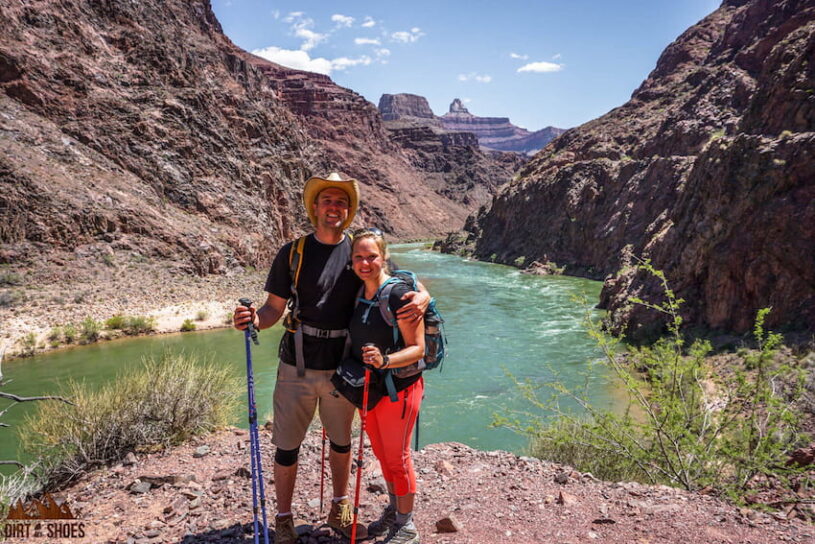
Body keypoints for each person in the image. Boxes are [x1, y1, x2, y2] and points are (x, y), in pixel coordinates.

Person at [233, 173, 429, 544]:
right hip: (297, 363)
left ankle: (340, 509)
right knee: (286, 446)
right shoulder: (292, 253)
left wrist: (423, 295)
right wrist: (254, 320)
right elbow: (273, 309)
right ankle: (285, 519)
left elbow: (395, 276)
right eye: (328, 201)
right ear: (315, 207)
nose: (334, 207)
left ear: (348, 210)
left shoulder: (358, 253)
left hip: (344, 368)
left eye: (341, 202)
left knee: (342, 443)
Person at [346, 229, 426, 544]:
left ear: (384, 256)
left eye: (372, 256)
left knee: (398, 456)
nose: (365, 263)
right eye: (359, 257)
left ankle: (407, 526)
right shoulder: (358, 292)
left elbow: (417, 348)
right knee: (382, 453)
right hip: (372, 390)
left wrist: (384, 361)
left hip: (400, 388)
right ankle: (395, 511)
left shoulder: (397, 295)